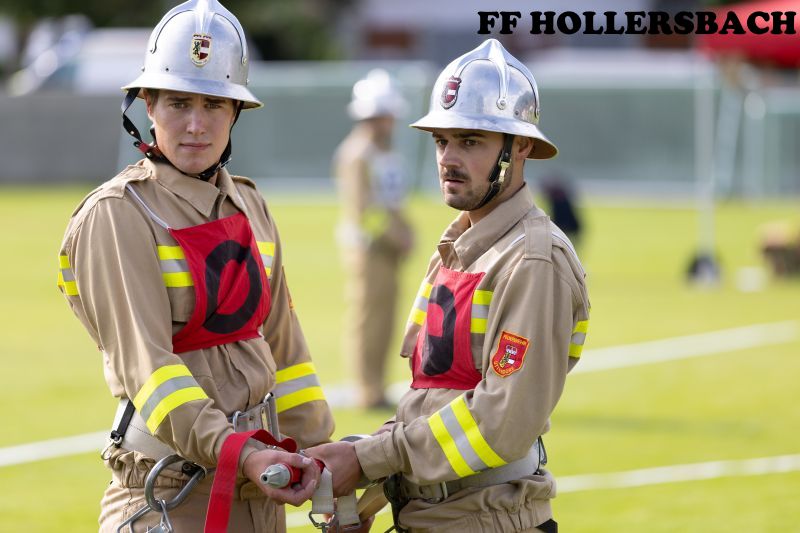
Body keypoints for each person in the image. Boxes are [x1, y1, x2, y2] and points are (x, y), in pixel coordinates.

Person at [56, 1, 332, 531]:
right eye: (179, 103)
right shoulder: (117, 215)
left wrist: (320, 458)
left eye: (214, 104)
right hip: (168, 494)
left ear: (236, 113)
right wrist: (239, 452)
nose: (196, 125)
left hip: (260, 488)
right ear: (148, 105)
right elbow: (150, 369)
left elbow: (286, 349)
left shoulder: (251, 206)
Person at [308, 39, 590, 532]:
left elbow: (501, 422)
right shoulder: (460, 246)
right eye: (441, 141)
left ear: (521, 146)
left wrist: (370, 458)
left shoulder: (533, 261)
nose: (448, 158)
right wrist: (367, 486)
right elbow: (431, 399)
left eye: (470, 141)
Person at [333, 69, 414, 409]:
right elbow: (364, 210)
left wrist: (405, 230)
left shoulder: (383, 151)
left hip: (387, 247)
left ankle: (379, 384)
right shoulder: (357, 154)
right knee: (368, 320)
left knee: (387, 318)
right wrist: (398, 236)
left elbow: (392, 201)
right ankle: (367, 388)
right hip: (369, 248)